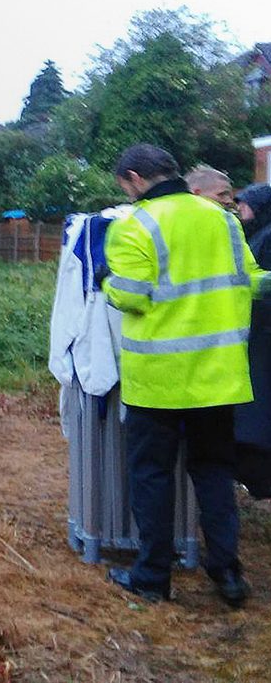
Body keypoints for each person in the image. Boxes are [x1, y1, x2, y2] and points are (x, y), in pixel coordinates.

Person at [102, 144, 259, 606]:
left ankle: (152, 577)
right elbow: (248, 280)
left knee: (152, 475)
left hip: (160, 378)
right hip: (218, 374)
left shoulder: (132, 224)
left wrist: (107, 282)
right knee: (213, 473)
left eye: (125, 187)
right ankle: (227, 574)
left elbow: (132, 296)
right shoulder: (224, 219)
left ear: (134, 179)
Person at [233, 183, 271, 497]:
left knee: (258, 413)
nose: (239, 212)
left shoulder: (266, 238)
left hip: (264, 336)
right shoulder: (257, 236)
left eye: (244, 206)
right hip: (257, 334)